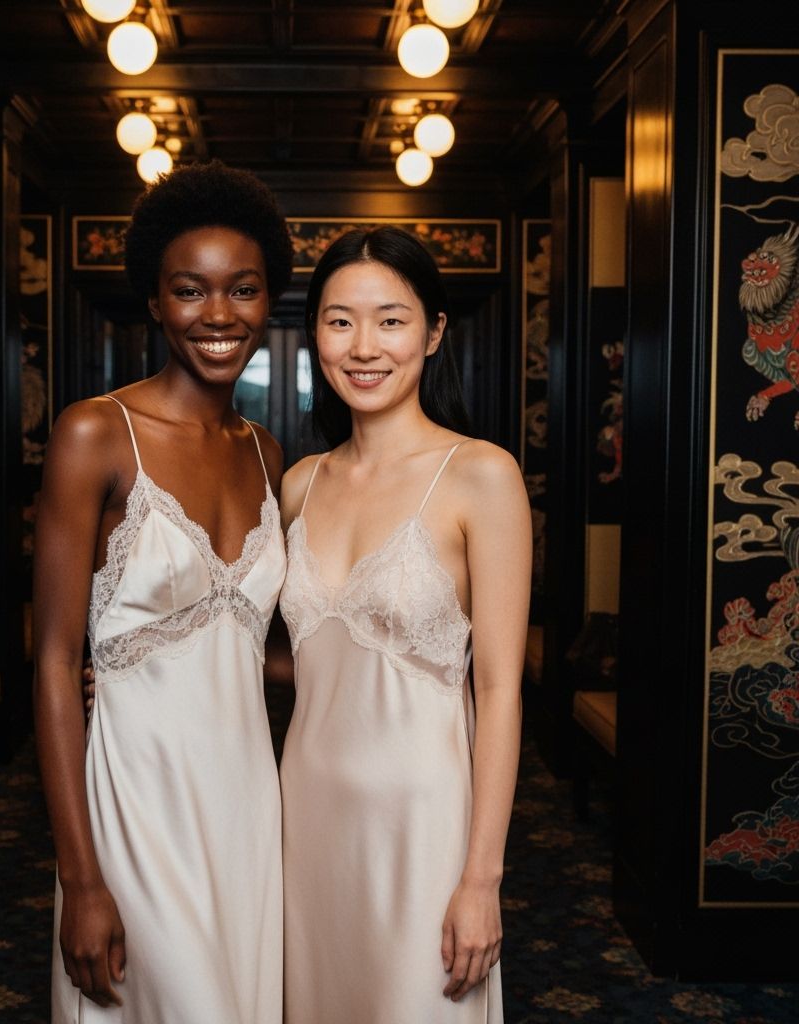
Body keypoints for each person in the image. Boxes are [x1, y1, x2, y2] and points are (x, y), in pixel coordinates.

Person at [33, 160, 294, 1023]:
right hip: (136, 802)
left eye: (243, 290)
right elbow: (53, 663)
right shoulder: (93, 433)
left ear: (269, 301)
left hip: (250, 802)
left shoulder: (268, 452)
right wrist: (81, 879)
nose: (219, 316)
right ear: (153, 301)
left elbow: (263, 651)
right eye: (191, 290)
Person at [278, 226, 530, 1023]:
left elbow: (498, 688)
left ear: (434, 331)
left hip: (423, 824)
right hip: (304, 813)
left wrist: (481, 878)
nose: (363, 346)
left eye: (390, 319)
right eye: (339, 319)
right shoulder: (297, 485)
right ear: (314, 331)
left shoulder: (482, 476)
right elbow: (307, 660)